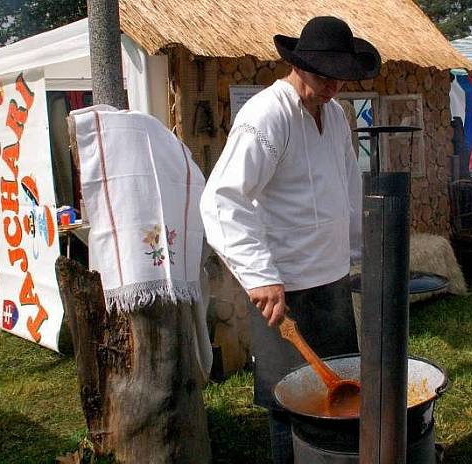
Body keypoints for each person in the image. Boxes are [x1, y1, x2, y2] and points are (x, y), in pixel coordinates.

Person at [199, 16, 379, 463]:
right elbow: (222, 200)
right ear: (299, 66)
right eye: (325, 76)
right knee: (290, 401)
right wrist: (260, 277)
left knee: (340, 390)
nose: (334, 86)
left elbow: (344, 186)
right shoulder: (266, 114)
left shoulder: (334, 113)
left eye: (341, 77)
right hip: (282, 289)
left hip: (332, 277)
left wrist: (357, 251)